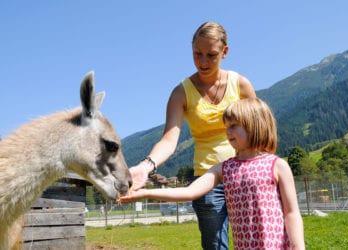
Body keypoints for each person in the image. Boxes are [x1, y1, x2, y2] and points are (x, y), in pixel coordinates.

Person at [129, 21, 256, 249]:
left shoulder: (241, 85)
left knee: (255, 240)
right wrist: (146, 166)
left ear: (225, 52)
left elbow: (258, 131)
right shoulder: (181, 93)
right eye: (197, 53)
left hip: (243, 173)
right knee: (215, 245)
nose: (203, 62)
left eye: (211, 55)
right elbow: (169, 139)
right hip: (206, 180)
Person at [119, 98, 305, 250]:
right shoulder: (223, 169)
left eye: (234, 125)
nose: (228, 131)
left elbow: (291, 212)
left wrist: (298, 246)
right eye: (227, 126)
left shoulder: (278, 165)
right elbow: (189, 192)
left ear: (255, 125)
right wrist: (146, 193)